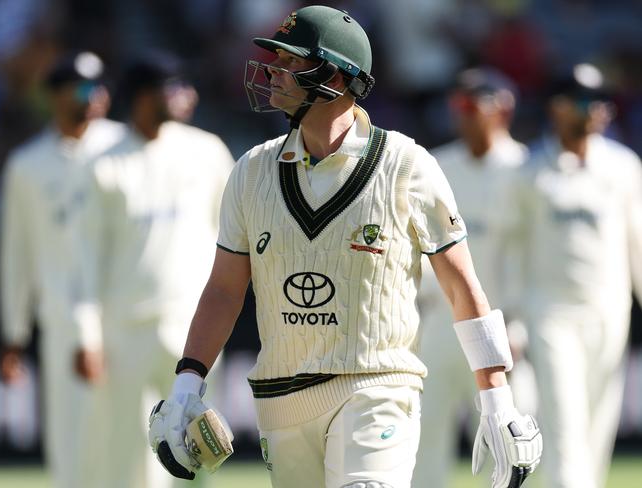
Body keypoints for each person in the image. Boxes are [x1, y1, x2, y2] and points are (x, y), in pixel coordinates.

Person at [148, 6, 542, 488]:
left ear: (333, 74)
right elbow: (225, 289)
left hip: (377, 386)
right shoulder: (251, 171)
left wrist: (497, 398)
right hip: (282, 398)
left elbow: (462, 287)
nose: (273, 71)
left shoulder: (406, 165)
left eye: (290, 61)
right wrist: (188, 382)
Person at [73, 51, 235, 488]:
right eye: (174, 87)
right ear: (144, 97)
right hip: (125, 330)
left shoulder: (207, 150)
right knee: (134, 459)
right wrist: (87, 333)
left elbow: (235, 235)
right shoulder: (102, 164)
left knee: (204, 447)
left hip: (194, 326)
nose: (189, 96)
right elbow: (84, 258)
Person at [505, 63, 642, 488]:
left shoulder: (622, 166)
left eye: (601, 102)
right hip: (549, 312)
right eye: (583, 101)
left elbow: (637, 242)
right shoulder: (529, 171)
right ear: (557, 108)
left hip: (608, 310)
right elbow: (512, 249)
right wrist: (509, 316)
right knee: (564, 423)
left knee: (597, 428)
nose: (594, 111)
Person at [0, 51, 125, 488]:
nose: (95, 97)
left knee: (129, 444)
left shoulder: (124, 147)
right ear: (55, 96)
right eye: (82, 87)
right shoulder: (27, 166)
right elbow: (17, 255)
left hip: (127, 318)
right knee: (70, 447)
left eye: (98, 86)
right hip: (62, 325)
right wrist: (14, 333)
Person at [413, 67, 533, 488]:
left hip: (502, 326)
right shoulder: (435, 165)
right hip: (439, 323)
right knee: (422, 442)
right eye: (456, 106)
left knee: (515, 444)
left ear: (503, 108)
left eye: (471, 105)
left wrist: (519, 324)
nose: (462, 115)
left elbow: (530, 255)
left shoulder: (526, 169)